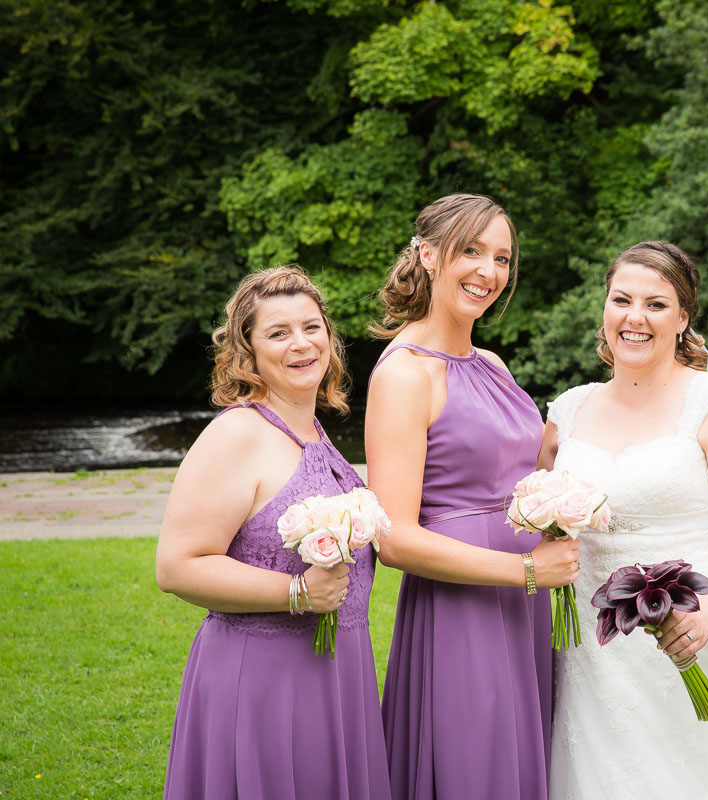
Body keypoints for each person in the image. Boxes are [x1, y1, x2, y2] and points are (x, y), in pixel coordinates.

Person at [540, 241, 708, 799]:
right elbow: (546, 521)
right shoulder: (568, 411)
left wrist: (702, 620)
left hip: (693, 629)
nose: (635, 318)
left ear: (683, 318)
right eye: (622, 300)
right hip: (591, 650)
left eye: (656, 304)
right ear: (605, 309)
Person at [365, 193, 580, 800]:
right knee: (475, 765)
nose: (489, 271)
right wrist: (526, 568)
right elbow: (394, 538)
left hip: (526, 602)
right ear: (430, 256)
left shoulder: (491, 362)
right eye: (471, 251)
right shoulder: (406, 374)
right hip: (464, 608)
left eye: (502, 258)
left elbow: (523, 468)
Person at [155, 266, 390, 799]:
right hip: (264, 677)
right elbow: (177, 565)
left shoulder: (315, 431)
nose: (301, 344)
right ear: (248, 353)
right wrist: (296, 591)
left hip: (339, 671)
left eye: (311, 327)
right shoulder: (238, 432)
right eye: (278, 333)